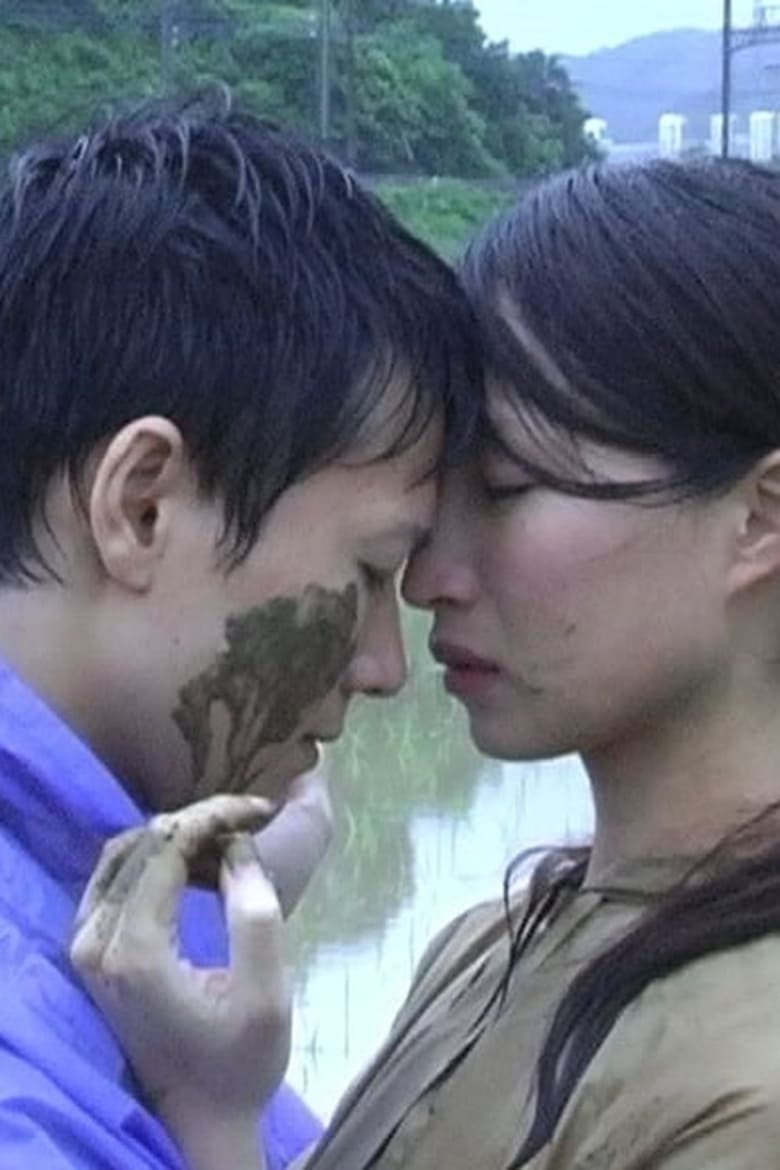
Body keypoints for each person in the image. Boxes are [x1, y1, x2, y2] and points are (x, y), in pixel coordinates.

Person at [73, 154, 780, 1170]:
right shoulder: (491, 948)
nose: (426, 577)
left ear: (757, 519)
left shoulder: (751, 1081)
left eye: (504, 488)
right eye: (434, 503)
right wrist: (218, 1113)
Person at [0, 90, 479, 1170]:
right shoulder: (31, 1106)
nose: (386, 666)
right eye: (367, 573)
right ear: (142, 508)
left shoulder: (111, 902)